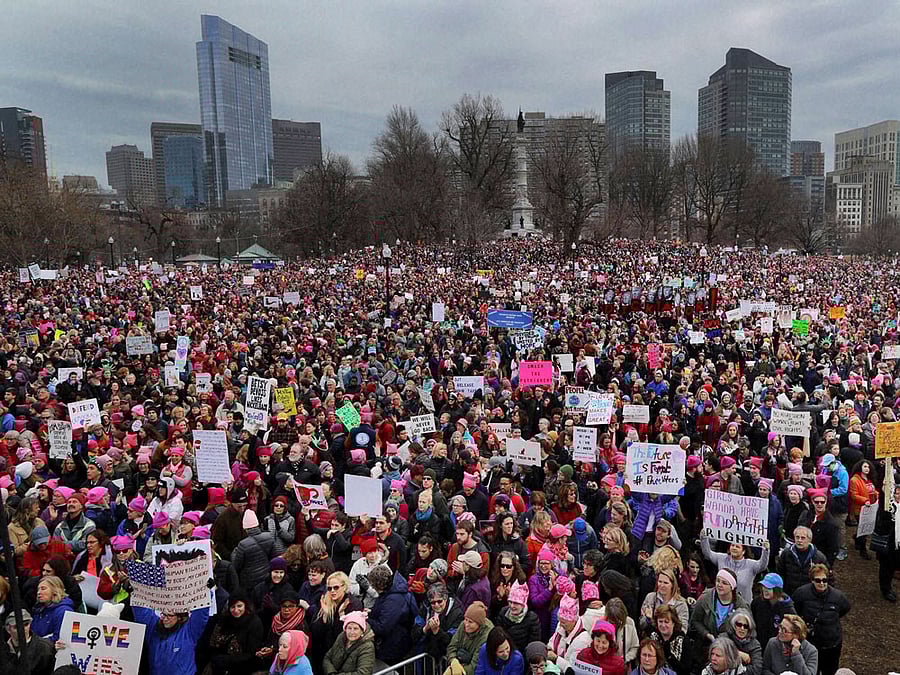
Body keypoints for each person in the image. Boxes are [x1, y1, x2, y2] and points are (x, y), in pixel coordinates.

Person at [791, 564, 849, 675]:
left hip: (832, 644)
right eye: (818, 580)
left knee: (830, 671)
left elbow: (845, 608)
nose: (821, 583)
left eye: (824, 580)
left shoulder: (838, 596)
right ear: (812, 580)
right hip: (811, 644)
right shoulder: (801, 593)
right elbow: (795, 611)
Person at [305, 571, 362, 675]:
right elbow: (315, 632)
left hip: (342, 655)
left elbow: (347, 635)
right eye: (329, 588)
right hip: (321, 653)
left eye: (336, 587)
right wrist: (325, 615)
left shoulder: (353, 604)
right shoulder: (324, 601)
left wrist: (341, 616)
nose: (332, 591)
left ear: (344, 587)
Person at [196, 590, 265, 675]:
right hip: (219, 666)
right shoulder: (224, 620)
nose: (236, 610)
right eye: (233, 607)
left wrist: (226, 660)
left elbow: (251, 653)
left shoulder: (254, 623)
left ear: (245, 605)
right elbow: (213, 643)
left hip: (243, 667)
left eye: (239, 606)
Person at [689, 569, 748, 668]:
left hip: (729, 651)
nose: (719, 585)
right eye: (718, 581)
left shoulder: (741, 605)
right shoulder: (705, 598)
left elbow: (747, 630)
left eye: (724, 583)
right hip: (704, 648)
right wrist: (707, 634)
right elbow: (695, 621)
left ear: (732, 587)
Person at [132, 604, 210, 675]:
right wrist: (134, 592)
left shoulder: (189, 630)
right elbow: (141, 612)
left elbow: (201, 613)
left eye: (169, 616)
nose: (165, 619)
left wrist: (206, 592)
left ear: (180, 617)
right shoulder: (153, 627)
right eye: (163, 615)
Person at [366, 563, 418, 665]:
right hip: (393, 642)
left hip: (394, 646)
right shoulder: (392, 592)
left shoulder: (394, 599)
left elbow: (383, 627)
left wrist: (367, 618)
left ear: (379, 585)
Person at [411, 583, 464, 673]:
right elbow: (414, 632)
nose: (436, 605)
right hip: (425, 655)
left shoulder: (457, 613)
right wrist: (425, 629)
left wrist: (437, 632)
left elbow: (452, 640)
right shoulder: (426, 608)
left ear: (445, 599)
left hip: (442, 659)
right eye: (433, 602)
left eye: (439, 601)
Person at [700, 534, 769, 603]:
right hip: (722, 602)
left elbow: (762, 565)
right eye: (732, 545)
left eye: (737, 547)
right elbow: (708, 554)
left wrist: (765, 550)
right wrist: (704, 538)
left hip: (744, 604)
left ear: (743, 551)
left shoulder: (751, 564)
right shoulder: (721, 558)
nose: (734, 548)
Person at [0, 610, 56, 675]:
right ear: (8, 629)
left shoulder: (44, 647)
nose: (23, 629)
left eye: (26, 624)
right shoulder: (3, 650)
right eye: (17, 626)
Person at [446, 601, 494, 675]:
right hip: (459, 664)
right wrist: (453, 661)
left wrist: (459, 672)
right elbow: (452, 647)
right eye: (465, 619)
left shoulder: (486, 635)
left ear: (479, 624)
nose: (466, 624)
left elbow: (476, 664)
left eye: (470, 622)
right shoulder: (463, 625)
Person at [776, 527, 827, 596]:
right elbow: (780, 573)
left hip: (810, 595)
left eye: (803, 538)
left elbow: (827, 577)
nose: (799, 540)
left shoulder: (819, 557)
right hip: (789, 593)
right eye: (797, 537)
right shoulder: (786, 554)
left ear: (809, 540)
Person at [322, 611, 376, 675]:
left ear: (362, 631)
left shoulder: (367, 647)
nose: (351, 632)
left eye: (355, 629)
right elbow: (327, 657)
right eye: (349, 628)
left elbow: (364, 673)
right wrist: (331, 672)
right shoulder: (342, 637)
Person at [750, 573, 795, 648]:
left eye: (769, 588)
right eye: (763, 586)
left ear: (777, 590)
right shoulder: (757, 602)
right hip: (759, 645)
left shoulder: (788, 609)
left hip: (778, 648)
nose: (765, 590)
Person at [640, 568, 689, 634]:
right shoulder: (650, 598)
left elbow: (683, 630)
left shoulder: (681, 604)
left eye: (665, 583)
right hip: (652, 639)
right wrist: (648, 619)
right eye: (660, 582)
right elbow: (641, 625)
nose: (662, 585)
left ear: (672, 585)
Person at [874, 483, 900, 602]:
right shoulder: (888, 507)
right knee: (886, 567)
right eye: (896, 493)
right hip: (888, 543)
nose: (898, 495)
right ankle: (886, 589)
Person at [30, 576, 73, 642]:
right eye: (38, 589)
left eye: (43, 589)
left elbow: (59, 637)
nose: (38, 592)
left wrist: (37, 644)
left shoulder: (64, 611)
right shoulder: (38, 609)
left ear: (55, 590)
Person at [648, 605, 688, 675]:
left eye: (666, 622)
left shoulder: (683, 640)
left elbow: (685, 670)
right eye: (660, 621)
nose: (663, 625)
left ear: (673, 623)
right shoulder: (652, 636)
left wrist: (669, 655)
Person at [724, 609, 762, 675]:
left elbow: (757, 669)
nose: (742, 628)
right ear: (733, 625)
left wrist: (736, 671)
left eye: (745, 626)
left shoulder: (755, 644)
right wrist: (737, 653)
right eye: (739, 624)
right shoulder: (724, 638)